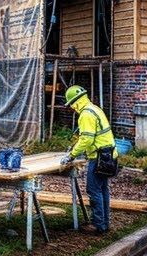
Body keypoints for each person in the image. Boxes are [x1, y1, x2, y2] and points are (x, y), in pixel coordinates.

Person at [60, 85, 114, 235]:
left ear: (75, 102)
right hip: (108, 156)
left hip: (98, 158)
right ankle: (104, 223)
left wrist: (71, 155)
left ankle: (98, 226)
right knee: (103, 190)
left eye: (71, 105)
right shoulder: (94, 108)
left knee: (93, 190)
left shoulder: (85, 114)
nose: (71, 108)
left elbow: (87, 140)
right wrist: (75, 148)